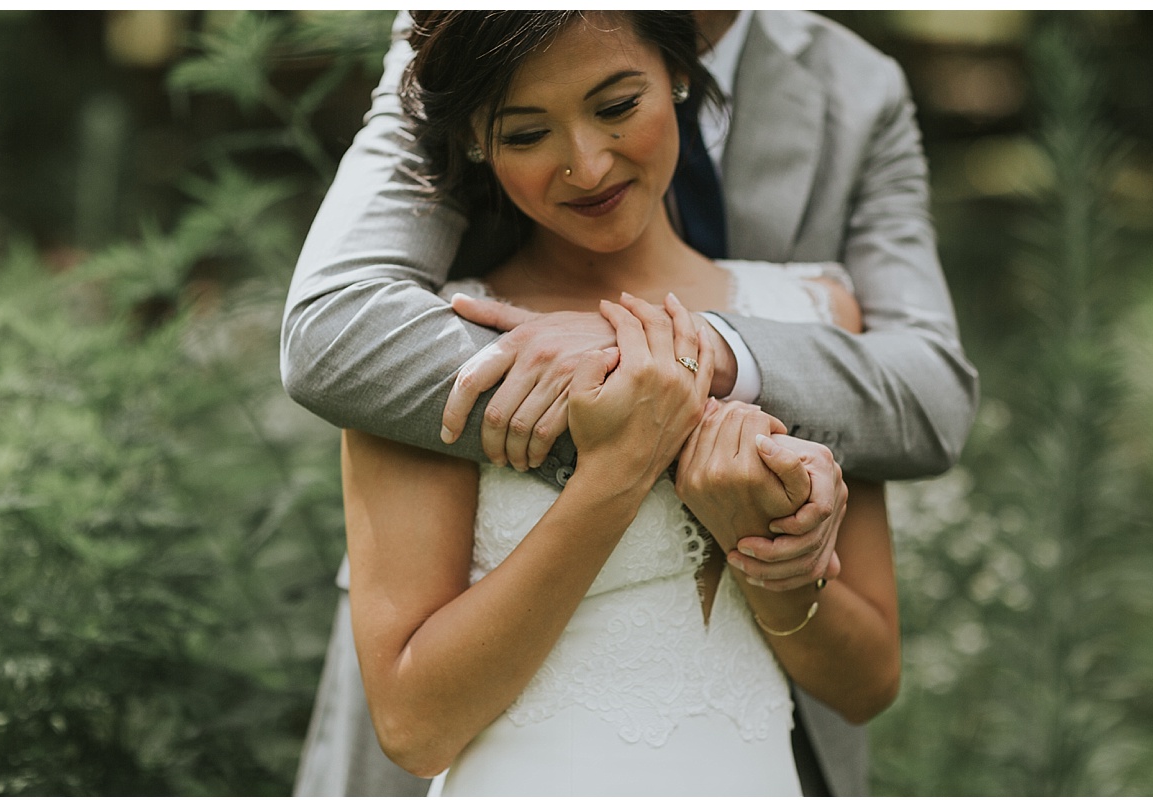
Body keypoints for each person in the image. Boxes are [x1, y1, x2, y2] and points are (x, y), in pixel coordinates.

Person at [283, 9, 978, 797]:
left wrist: (767, 552)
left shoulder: (811, 327)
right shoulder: (435, 348)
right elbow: (413, 724)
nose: (585, 165)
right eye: (524, 134)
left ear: (678, 72)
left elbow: (870, 678)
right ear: (474, 137)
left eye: (616, 108)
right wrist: (618, 470)